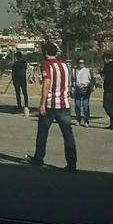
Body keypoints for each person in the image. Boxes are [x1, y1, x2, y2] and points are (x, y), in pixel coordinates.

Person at [25, 42, 78, 172]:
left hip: (50, 104)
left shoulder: (46, 64)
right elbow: (69, 82)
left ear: (45, 52)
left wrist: (42, 103)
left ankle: (39, 158)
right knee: (68, 134)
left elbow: (47, 83)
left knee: (42, 133)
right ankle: (71, 162)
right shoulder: (65, 65)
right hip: (64, 104)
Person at [72, 59, 93, 127]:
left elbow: (91, 80)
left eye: (83, 63)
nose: (81, 64)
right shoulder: (74, 70)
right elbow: (72, 80)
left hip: (85, 89)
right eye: (80, 63)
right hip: (77, 89)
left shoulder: (87, 70)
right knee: (77, 105)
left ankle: (86, 120)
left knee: (85, 105)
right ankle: (78, 119)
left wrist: (86, 85)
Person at [10, 51, 30, 116]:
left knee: (18, 93)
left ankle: (19, 105)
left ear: (17, 57)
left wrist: (13, 79)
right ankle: (26, 105)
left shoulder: (15, 64)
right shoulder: (25, 63)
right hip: (23, 79)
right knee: (25, 93)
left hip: (17, 79)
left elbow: (13, 72)